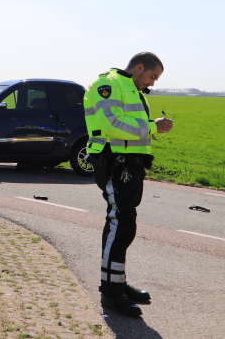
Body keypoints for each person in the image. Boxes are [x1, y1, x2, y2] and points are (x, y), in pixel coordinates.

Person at [83, 52, 173, 317]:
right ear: (139, 67)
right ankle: (110, 294)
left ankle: (118, 283)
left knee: (125, 226)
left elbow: (131, 128)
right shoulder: (108, 84)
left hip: (130, 164)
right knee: (119, 224)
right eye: (152, 76)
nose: (153, 83)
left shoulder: (133, 89)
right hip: (114, 162)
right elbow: (112, 124)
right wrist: (153, 127)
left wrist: (151, 129)